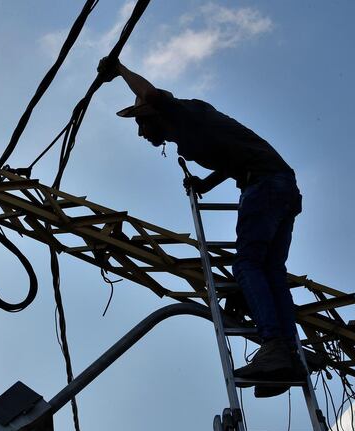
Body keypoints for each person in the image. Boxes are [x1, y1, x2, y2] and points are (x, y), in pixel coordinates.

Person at [98, 57, 305, 398]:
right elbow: (230, 160)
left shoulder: (181, 114)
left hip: (265, 186)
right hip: (280, 185)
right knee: (271, 270)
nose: (139, 132)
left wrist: (118, 68)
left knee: (247, 265)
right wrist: (205, 186)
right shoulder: (193, 132)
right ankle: (286, 354)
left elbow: (150, 93)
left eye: (140, 124)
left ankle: (274, 345)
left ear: (154, 115)